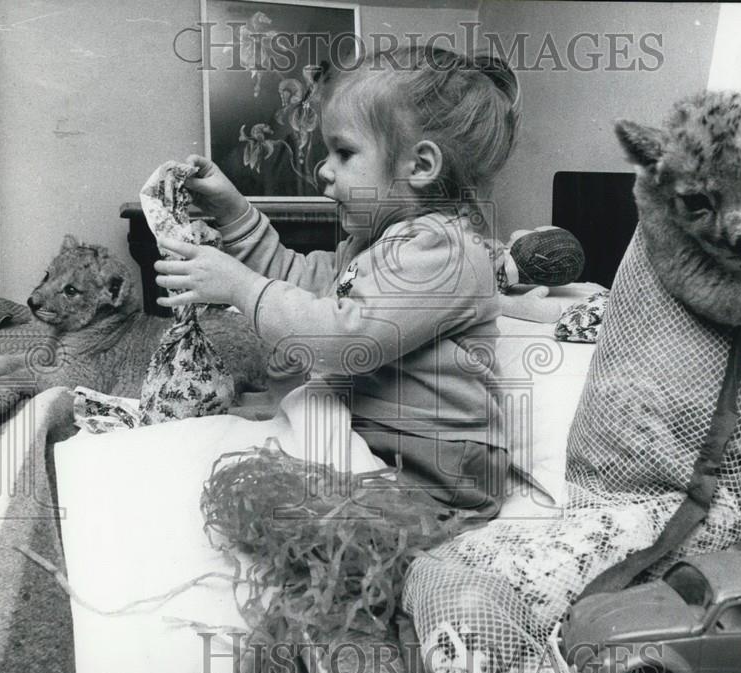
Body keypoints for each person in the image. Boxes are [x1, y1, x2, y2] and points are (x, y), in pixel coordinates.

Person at [153, 44, 521, 518]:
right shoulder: (372, 244)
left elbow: (343, 338)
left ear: (421, 166)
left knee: (302, 523)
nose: (323, 170)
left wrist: (241, 287)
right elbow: (297, 278)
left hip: (440, 469)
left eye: (344, 152)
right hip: (383, 445)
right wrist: (233, 213)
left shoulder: (446, 251)